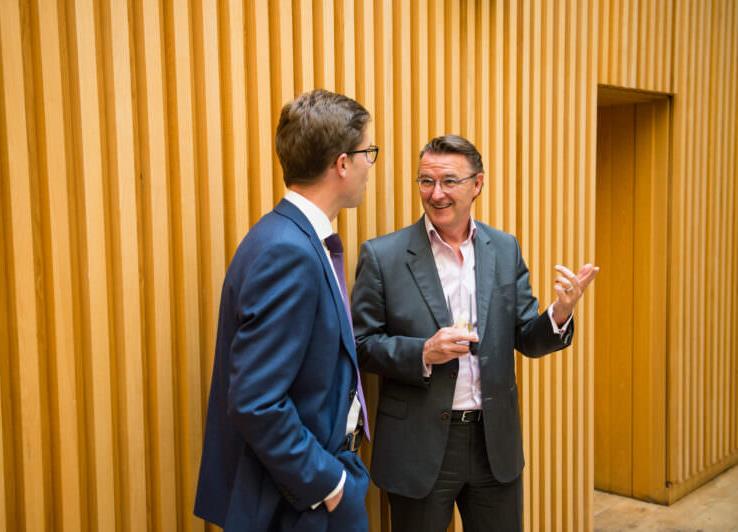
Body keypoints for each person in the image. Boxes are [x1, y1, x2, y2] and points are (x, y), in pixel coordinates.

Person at [351, 134, 598, 531]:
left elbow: (526, 336)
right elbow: (361, 347)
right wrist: (423, 353)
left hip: (493, 444)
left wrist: (561, 311)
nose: (436, 194)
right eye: (426, 181)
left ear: (477, 184)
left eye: (449, 181)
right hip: (419, 446)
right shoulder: (383, 256)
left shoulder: (503, 248)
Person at [194, 89, 377, 531]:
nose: (371, 165)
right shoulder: (288, 251)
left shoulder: (284, 236)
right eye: (368, 152)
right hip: (301, 500)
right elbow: (256, 401)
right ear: (341, 164)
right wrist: (331, 484)